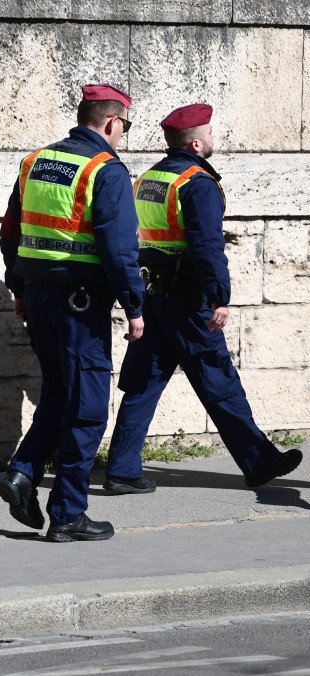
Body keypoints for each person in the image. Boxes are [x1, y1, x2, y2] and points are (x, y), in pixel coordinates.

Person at [103, 104, 302, 493]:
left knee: (144, 381)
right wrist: (219, 297)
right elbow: (208, 246)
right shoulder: (198, 183)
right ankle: (260, 463)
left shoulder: (149, 178)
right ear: (196, 143)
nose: (213, 138)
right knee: (218, 379)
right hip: (189, 299)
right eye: (210, 133)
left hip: (153, 295)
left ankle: (122, 469)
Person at [0, 84, 145, 542]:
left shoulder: (36, 160)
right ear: (112, 122)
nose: (123, 135)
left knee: (60, 393)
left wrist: (19, 287)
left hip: (40, 295)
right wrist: (135, 306)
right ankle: (67, 514)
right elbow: (118, 250)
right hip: (80, 303)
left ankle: (22, 472)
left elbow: (12, 232)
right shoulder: (106, 170)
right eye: (126, 127)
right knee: (87, 407)